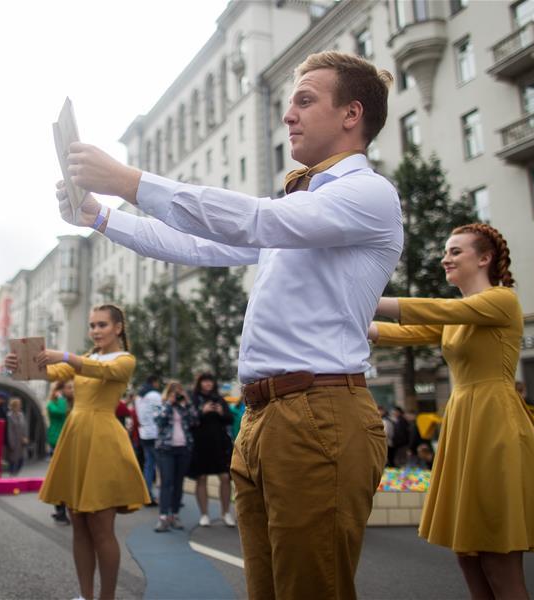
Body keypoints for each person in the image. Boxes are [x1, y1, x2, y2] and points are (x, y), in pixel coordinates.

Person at [56, 50, 401, 598]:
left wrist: (129, 181)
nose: (289, 114)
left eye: (305, 100)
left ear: (351, 115)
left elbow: (252, 220)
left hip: (321, 415)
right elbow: (195, 243)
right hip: (265, 415)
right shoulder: (303, 202)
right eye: (290, 102)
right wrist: (99, 216)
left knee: (312, 589)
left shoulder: (368, 193)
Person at [369, 223, 534, 598]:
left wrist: (366, 296)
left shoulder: (501, 300)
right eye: (446, 251)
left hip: (495, 425)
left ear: (485, 258)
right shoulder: (458, 316)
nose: (445, 258)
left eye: (455, 251)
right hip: (466, 422)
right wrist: (350, 320)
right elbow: (404, 332)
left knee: (496, 558)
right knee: (469, 555)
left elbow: (431, 309)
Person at [4, 304, 148, 600]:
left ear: (118, 328)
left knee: (101, 527)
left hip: (103, 442)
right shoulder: (88, 358)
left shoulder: (124, 359)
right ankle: (86, 596)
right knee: (78, 524)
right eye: (92, 325)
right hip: (76, 438)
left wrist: (67, 356)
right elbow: (51, 371)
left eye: (102, 325)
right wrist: (20, 365)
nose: (95, 330)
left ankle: (106, 597)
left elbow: (100, 369)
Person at [187, 372, 235, 527]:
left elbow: (230, 419)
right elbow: (188, 420)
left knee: (225, 478)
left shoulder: (220, 399)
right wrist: (203, 411)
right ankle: (204, 514)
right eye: (205, 381)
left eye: (210, 381)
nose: (207, 384)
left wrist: (221, 412)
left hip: (219, 444)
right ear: (200, 383)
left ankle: (226, 512)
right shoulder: (193, 399)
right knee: (201, 478)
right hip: (200, 444)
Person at [154, 380, 199, 532]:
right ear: (168, 393)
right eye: (174, 392)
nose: (177, 394)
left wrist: (186, 403)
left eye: (179, 391)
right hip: (165, 449)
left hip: (183, 448)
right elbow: (159, 421)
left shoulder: (184, 407)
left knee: (179, 483)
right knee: (166, 482)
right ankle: (163, 517)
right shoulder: (161, 404)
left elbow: (195, 420)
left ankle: (174, 514)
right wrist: (169, 404)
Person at [47, 379, 73, 524]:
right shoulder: (54, 404)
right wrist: (61, 398)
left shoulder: (71, 403)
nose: (72, 390)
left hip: (67, 442)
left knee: (66, 477)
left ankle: (62, 509)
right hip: (57, 442)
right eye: (69, 388)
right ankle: (60, 510)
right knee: (60, 476)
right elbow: (62, 412)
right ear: (60, 390)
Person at [135, 375, 163, 506]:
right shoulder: (154, 395)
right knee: (162, 467)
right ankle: (164, 496)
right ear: (154, 382)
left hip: (144, 433)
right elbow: (160, 414)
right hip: (155, 433)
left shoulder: (139, 396)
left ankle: (147, 495)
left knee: (148, 466)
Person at [6, 397, 28, 474]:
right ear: (14, 405)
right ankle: (12, 475)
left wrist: (25, 437)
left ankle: (15, 473)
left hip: (21, 441)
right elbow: (9, 431)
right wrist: (11, 444)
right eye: (18, 404)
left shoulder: (21, 415)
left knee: (21, 460)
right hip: (13, 441)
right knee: (12, 460)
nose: (20, 406)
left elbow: (24, 427)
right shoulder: (9, 416)